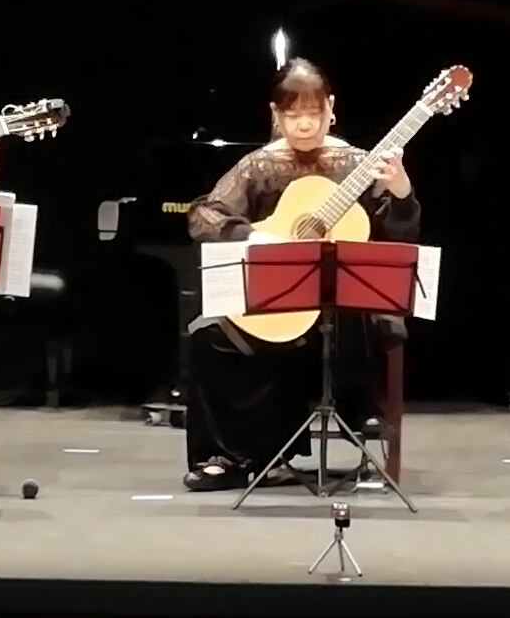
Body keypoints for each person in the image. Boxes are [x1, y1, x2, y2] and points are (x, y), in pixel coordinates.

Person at [177, 59, 420, 490]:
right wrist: (255, 236)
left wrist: (402, 195)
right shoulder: (260, 166)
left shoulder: (359, 164)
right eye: (293, 115)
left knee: (361, 321)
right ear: (276, 114)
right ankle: (228, 456)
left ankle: (356, 422)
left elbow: (397, 236)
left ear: (331, 108)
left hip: (344, 310)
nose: (304, 125)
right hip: (280, 304)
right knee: (207, 335)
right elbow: (204, 216)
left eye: (313, 113)